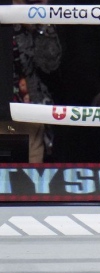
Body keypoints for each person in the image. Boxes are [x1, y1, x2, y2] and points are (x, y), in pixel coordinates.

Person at [0, 0, 61, 163]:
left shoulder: (37, 9)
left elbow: (50, 64)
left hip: (31, 113)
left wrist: (42, 24)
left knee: (28, 183)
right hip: (4, 114)